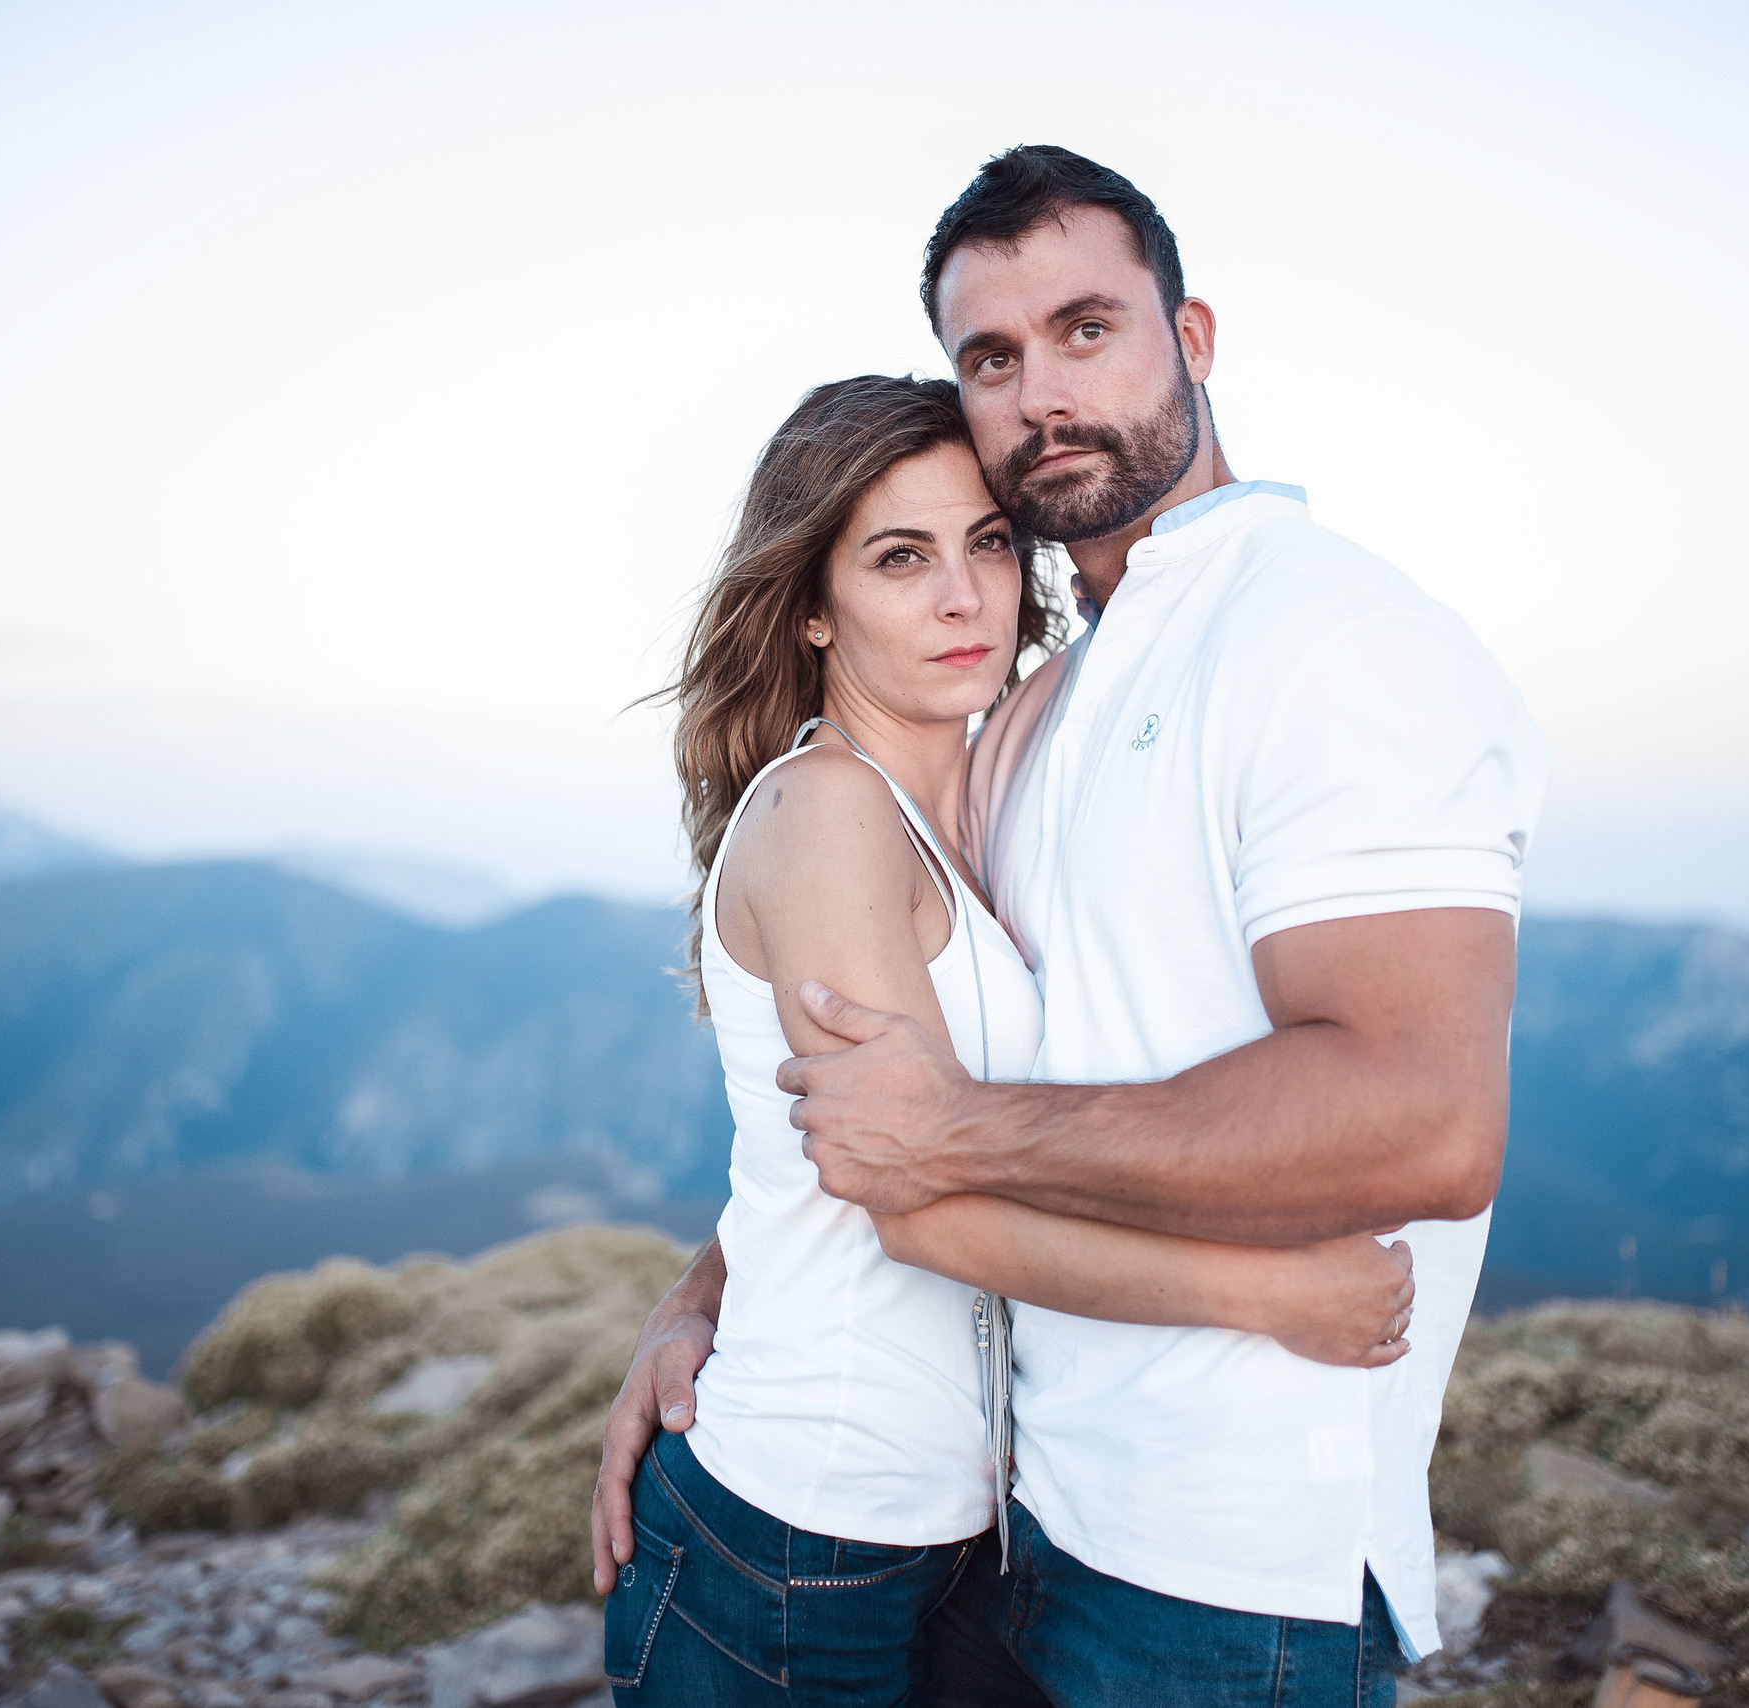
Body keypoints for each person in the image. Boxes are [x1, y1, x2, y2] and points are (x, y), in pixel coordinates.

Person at [602, 149, 1551, 1708]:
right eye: (994, 356)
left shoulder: (1336, 642)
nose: (1043, 391)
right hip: (1024, 1531)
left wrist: (956, 1135)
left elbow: (1430, 1122)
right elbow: (858, 1126)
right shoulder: (1045, 707)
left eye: (1088, 328)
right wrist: (703, 1298)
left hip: (1230, 1573)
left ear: (1194, 335)